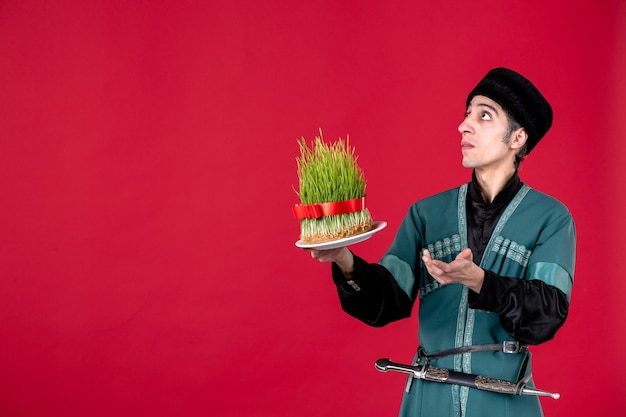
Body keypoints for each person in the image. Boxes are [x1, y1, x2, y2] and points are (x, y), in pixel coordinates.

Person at [309, 67, 575, 417]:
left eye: (484, 116)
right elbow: (388, 300)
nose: (464, 126)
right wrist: (343, 259)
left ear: (517, 138)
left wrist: (478, 280)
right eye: (467, 115)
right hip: (428, 396)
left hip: (504, 399)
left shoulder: (551, 218)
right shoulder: (426, 214)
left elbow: (547, 313)